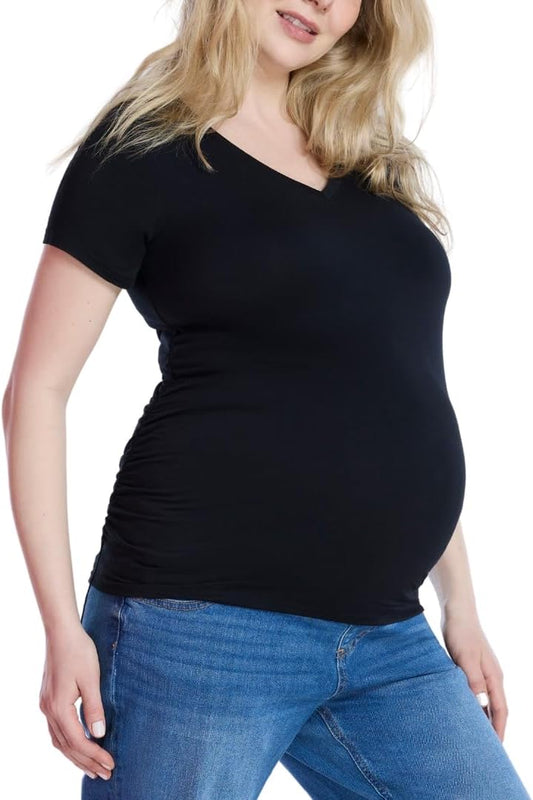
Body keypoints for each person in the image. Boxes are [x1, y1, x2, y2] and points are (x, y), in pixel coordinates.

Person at [3, 0, 531, 798]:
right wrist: (57, 626)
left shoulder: (367, 164)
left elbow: (390, 390)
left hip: (386, 633)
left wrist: (460, 603)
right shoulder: (143, 147)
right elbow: (37, 391)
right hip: (199, 624)